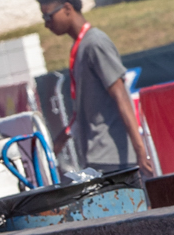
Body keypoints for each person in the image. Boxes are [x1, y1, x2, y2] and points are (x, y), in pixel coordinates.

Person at [40, 0, 154, 176]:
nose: (46, 24)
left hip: (114, 159)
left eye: (48, 16)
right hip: (98, 156)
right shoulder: (81, 46)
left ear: (67, 8)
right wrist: (62, 139)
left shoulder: (95, 43)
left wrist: (140, 151)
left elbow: (121, 96)